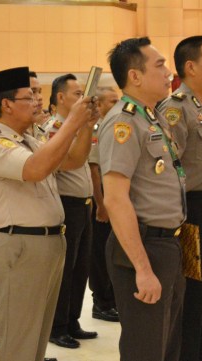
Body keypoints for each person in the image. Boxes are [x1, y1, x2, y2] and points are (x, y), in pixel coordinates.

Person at [0, 66, 97, 361]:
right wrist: (72, 122)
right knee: (19, 342)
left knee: (37, 339)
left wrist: (86, 125)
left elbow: (74, 160)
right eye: (29, 97)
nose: (37, 102)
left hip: (47, 244)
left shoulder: (30, 139)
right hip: (20, 247)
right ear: (6, 105)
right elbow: (36, 169)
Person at [100, 36, 186, 361]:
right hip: (143, 247)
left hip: (167, 245)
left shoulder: (153, 117)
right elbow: (115, 199)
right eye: (160, 65)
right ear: (135, 76)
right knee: (145, 349)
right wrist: (143, 268)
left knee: (165, 346)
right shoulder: (124, 122)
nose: (169, 73)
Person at [157, 35, 202, 361]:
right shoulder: (175, 109)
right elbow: (171, 169)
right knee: (193, 297)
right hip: (192, 213)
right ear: (190, 66)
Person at [45, 74, 98, 349]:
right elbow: (64, 164)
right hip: (67, 205)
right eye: (76, 94)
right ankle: (57, 326)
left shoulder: (81, 127)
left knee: (81, 267)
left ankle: (73, 320)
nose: (82, 98)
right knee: (66, 270)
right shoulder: (55, 128)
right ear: (60, 98)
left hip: (85, 204)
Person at [88, 85, 119, 322]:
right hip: (102, 204)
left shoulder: (115, 126)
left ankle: (112, 299)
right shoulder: (97, 130)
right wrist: (101, 204)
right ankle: (101, 302)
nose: (116, 104)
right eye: (111, 101)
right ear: (98, 104)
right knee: (99, 254)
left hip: (115, 201)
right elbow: (94, 170)